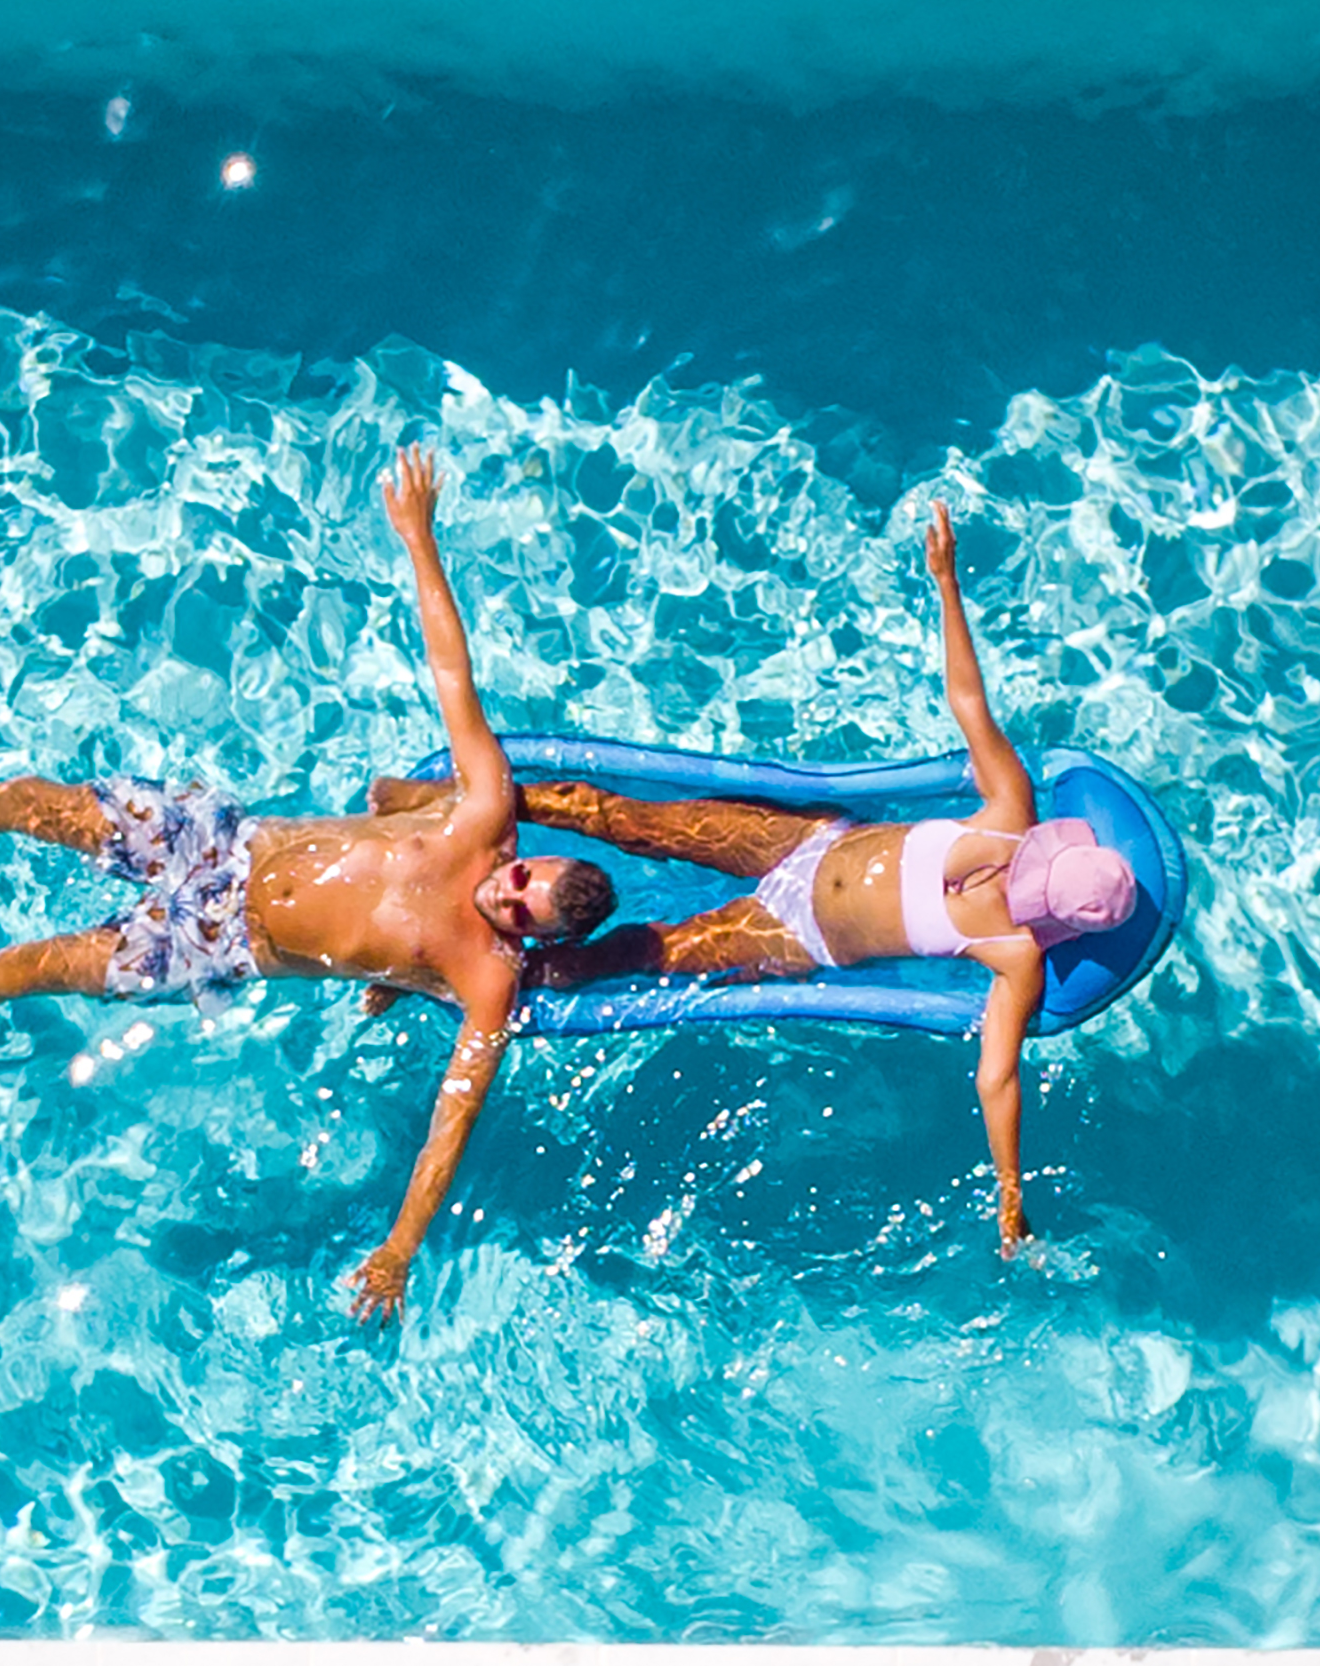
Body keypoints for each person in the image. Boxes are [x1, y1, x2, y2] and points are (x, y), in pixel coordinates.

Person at [0, 449, 621, 1321]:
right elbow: (452, 672)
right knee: (26, 803)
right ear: (526, 857)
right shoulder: (482, 809)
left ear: (533, 939)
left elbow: (447, 1130)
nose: (504, 896)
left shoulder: (488, 979)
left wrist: (400, 1248)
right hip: (220, 841)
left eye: (519, 914)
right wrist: (419, 537)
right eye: (520, 879)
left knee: (24, 968)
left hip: (218, 942)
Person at [475, 499, 1140, 1254]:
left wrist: (1010, 1200)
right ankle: (476, 809)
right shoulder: (1008, 814)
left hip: (797, 934)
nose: (1019, 873)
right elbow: (967, 700)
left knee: (632, 954)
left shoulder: (1016, 953)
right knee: (631, 819)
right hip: (807, 842)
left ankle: (490, 967)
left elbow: (998, 1081)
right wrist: (947, 583)